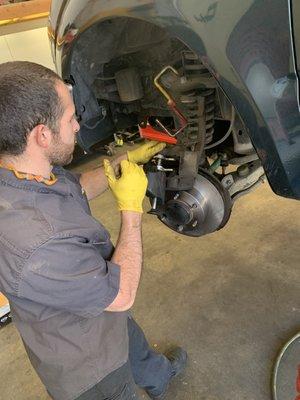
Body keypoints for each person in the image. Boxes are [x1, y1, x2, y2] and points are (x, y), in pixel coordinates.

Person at [0, 61, 187, 400]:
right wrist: (130, 210)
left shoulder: (19, 171)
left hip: (97, 306)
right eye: (71, 118)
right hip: (87, 364)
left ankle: (157, 376)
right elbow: (121, 296)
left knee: (130, 339)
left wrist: (126, 159)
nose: (77, 125)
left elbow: (77, 186)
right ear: (41, 135)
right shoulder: (35, 244)